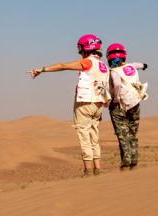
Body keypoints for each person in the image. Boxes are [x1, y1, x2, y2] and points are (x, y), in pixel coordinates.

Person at [26, 34, 111, 177]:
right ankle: (98, 170)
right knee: (94, 138)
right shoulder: (103, 65)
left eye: (80, 47)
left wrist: (41, 69)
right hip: (97, 105)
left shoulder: (88, 62)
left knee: (84, 137)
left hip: (84, 104)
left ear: (86, 47)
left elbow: (63, 66)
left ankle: (88, 172)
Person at [106, 43, 148, 172]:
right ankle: (134, 163)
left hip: (119, 105)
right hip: (135, 103)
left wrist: (116, 99)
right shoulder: (131, 66)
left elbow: (117, 84)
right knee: (133, 134)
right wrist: (144, 66)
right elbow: (139, 65)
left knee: (123, 135)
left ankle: (125, 165)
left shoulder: (114, 71)